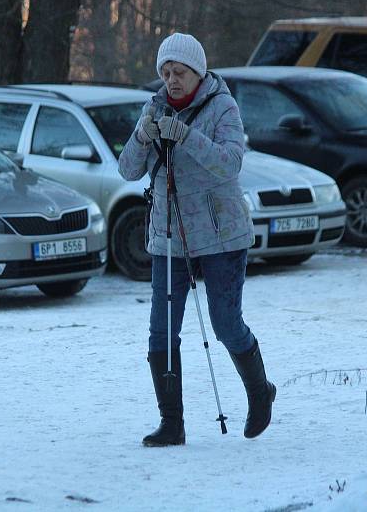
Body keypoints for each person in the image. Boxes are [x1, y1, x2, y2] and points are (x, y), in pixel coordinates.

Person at [118, 33, 276, 446]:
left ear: (198, 73)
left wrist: (186, 136)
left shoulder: (223, 105)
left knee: (226, 325)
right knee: (161, 333)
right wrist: (142, 137)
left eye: (180, 72)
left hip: (222, 234)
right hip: (168, 236)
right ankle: (172, 422)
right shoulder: (152, 109)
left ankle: (261, 392)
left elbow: (230, 164)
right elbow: (127, 171)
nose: (171, 80)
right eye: (166, 73)